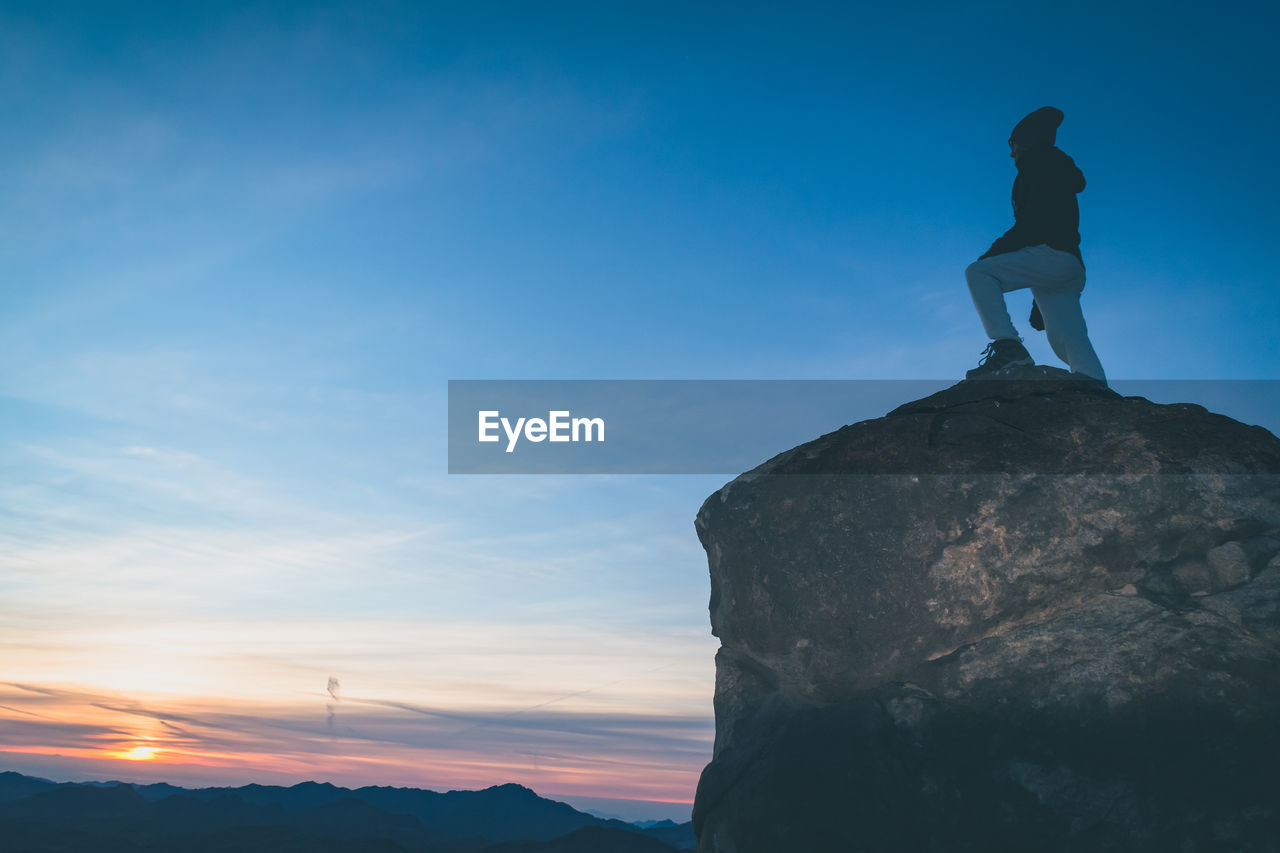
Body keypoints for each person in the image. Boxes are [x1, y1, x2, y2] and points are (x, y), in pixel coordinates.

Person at [964, 106, 1107, 383]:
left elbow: (1033, 224)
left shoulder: (1038, 166)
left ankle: (1009, 347)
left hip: (1050, 255)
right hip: (1067, 264)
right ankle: (1095, 387)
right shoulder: (1054, 167)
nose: (1010, 152)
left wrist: (991, 254)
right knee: (1066, 338)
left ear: (1026, 140)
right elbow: (1047, 221)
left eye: (1013, 144)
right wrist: (1036, 296)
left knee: (979, 272)